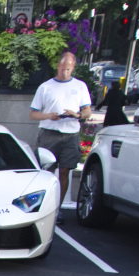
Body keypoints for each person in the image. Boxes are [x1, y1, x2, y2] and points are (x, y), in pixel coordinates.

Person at [29, 50, 92, 223]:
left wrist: (77, 115)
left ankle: (58, 207)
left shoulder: (79, 86)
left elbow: (87, 111)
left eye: (69, 69)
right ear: (58, 66)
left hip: (70, 132)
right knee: (45, 171)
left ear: (73, 68)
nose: (65, 72)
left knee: (65, 171)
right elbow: (33, 114)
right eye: (63, 68)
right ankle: (42, 207)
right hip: (50, 132)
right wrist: (49, 115)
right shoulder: (46, 86)